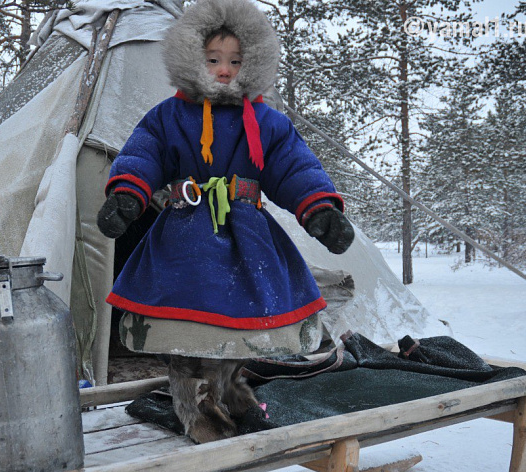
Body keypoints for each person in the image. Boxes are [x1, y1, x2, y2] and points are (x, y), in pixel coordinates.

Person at [96, 0, 354, 443]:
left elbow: (293, 167)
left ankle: (231, 391)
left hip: (247, 236)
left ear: (252, 62)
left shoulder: (267, 122)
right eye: (213, 60)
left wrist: (319, 208)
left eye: (235, 61)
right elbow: (144, 155)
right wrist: (127, 194)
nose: (223, 70)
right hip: (185, 240)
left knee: (238, 325)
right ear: (191, 58)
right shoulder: (167, 116)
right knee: (186, 330)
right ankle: (194, 405)